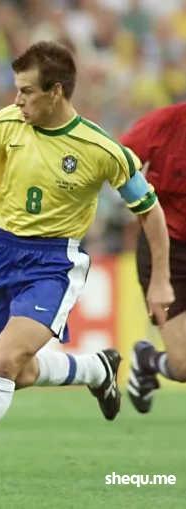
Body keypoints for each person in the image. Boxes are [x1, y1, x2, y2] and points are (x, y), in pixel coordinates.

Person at [0, 41, 174, 495]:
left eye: (27, 91)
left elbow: (150, 212)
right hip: (4, 253)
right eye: (17, 89)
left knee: (4, 362)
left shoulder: (100, 148)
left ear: (56, 91)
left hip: (54, 263)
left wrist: (160, 279)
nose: (17, 100)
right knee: (19, 371)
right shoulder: (4, 125)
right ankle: (96, 370)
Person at [118, 102, 186, 413]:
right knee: (183, 366)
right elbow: (117, 161)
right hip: (166, 249)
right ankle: (148, 360)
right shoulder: (165, 123)